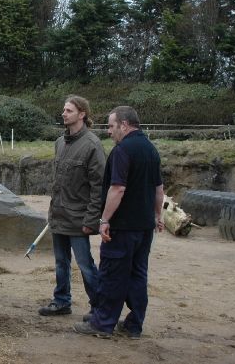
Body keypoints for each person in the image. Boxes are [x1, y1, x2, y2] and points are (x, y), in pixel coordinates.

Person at [73, 106, 165, 339]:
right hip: (144, 228)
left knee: (112, 275)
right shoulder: (150, 149)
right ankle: (134, 325)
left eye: (112, 126)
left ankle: (102, 324)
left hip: (123, 228)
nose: (109, 131)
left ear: (124, 125)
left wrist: (104, 219)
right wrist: (158, 216)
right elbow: (158, 189)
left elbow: (117, 188)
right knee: (137, 275)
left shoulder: (122, 150)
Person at [38, 95, 106, 318]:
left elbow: (99, 187)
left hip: (79, 219)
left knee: (86, 266)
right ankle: (61, 301)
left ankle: (99, 308)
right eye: (64, 110)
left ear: (82, 114)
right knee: (60, 263)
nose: (63, 114)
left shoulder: (92, 145)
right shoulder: (60, 142)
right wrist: (52, 213)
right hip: (58, 216)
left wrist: (91, 220)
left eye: (68, 110)